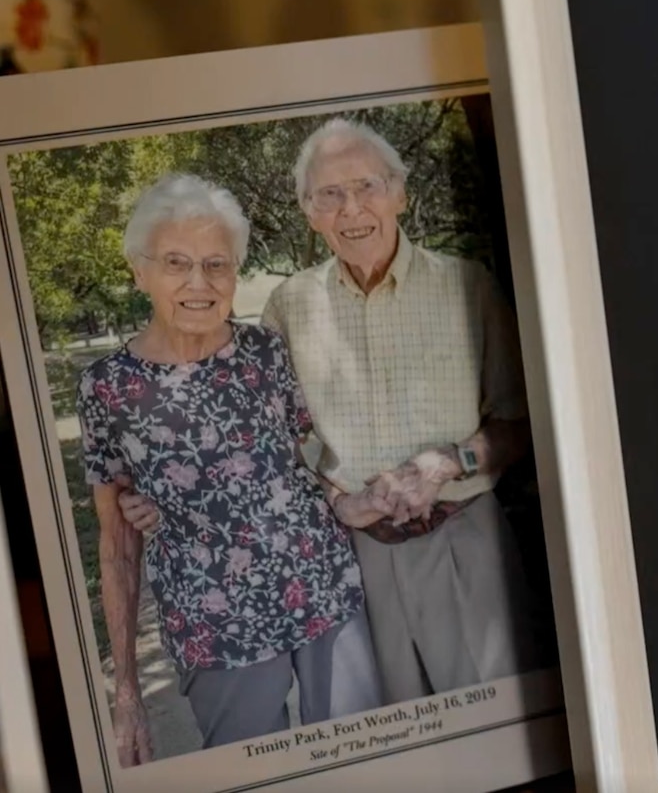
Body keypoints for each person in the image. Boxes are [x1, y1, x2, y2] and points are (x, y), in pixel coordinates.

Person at [128, 119, 545, 704]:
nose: (352, 208)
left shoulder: (467, 287)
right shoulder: (289, 306)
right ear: (309, 211)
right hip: (350, 559)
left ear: (399, 193)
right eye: (329, 194)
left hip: (464, 546)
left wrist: (448, 462)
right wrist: (166, 492)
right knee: (389, 743)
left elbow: (524, 422)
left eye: (367, 186)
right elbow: (258, 439)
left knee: (500, 723)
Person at [81, 174, 382, 767]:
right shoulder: (108, 388)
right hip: (214, 625)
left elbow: (304, 454)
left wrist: (347, 496)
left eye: (217, 264)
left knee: (363, 763)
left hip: (323, 590)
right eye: (177, 263)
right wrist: (128, 693)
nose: (200, 282)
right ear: (140, 271)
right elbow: (115, 543)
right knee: (255, 773)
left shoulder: (266, 350)